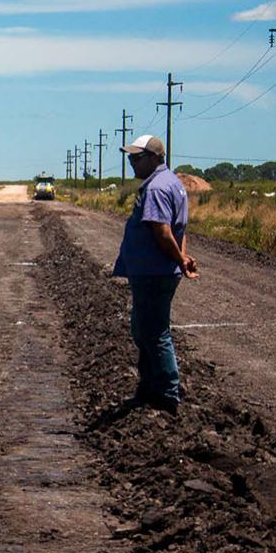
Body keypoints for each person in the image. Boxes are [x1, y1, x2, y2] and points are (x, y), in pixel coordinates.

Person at [113, 135, 198, 415]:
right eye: (130, 157)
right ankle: (150, 385)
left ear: (154, 158)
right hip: (156, 270)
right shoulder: (172, 183)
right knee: (144, 330)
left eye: (136, 158)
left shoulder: (157, 188)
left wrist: (180, 259)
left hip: (153, 272)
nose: (131, 162)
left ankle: (166, 393)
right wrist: (181, 258)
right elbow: (179, 230)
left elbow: (162, 231)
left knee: (154, 332)